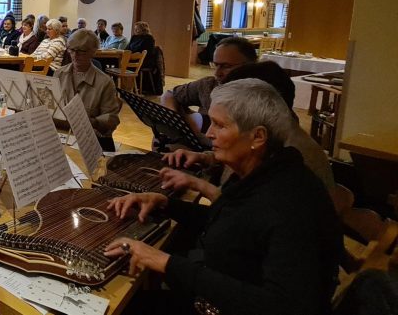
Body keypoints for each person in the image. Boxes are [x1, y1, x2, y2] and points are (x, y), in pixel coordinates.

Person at [104, 79, 342, 315]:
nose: (209, 133)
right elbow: (234, 224)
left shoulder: (289, 202)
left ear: (258, 137)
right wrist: (165, 203)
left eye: (219, 125)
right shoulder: (265, 172)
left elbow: (283, 305)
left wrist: (165, 262)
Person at [161, 60, 335, 196]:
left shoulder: (293, 159)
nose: (209, 133)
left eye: (220, 125)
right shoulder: (274, 135)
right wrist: (205, 158)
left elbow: (239, 212)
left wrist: (198, 184)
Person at [161, 36, 257, 134]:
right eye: (215, 65)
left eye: (226, 66)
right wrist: (173, 117)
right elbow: (170, 94)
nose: (217, 73)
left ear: (250, 65)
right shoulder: (208, 85)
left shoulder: (259, 99)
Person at [53, 30, 121, 151]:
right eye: (72, 50)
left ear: (93, 52)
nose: (75, 55)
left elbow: (111, 119)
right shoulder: (59, 73)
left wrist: (92, 122)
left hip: (88, 139)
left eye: (82, 51)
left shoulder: (105, 82)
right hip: (61, 136)